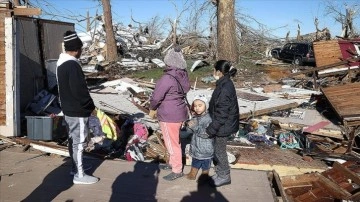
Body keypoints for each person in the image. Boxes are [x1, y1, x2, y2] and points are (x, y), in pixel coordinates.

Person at [56, 30, 99, 185]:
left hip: (68, 109)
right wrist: (90, 106)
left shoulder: (61, 63)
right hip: (77, 110)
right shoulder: (72, 65)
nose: (82, 51)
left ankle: (75, 168)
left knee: (73, 140)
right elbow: (79, 91)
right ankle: (79, 175)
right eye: (81, 48)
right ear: (77, 49)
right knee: (79, 142)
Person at [149, 47, 190, 181]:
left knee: (172, 143)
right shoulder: (183, 75)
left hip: (169, 115)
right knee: (174, 140)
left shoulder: (167, 78)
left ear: (169, 62)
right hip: (179, 112)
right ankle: (172, 163)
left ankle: (177, 169)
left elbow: (156, 97)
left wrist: (152, 108)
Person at [206, 60, 239, 187]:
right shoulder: (224, 83)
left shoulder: (225, 88)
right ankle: (220, 172)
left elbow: (222, 113)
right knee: (217, 149)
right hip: (223, 125)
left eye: (214, 70)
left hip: (223, 126)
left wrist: (211, 129)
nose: (213, 72)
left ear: (219, 72)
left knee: (220, 151)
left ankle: (224, 176)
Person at [183, 94, 213, 183]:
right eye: (195, 106)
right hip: (196, 145)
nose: (197, 108)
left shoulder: (209, 119)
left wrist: (195, 127)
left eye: (200, 105)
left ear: (206, 106)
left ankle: (204, 176)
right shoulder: (196, 116)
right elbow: (191, 131)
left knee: (205, 163)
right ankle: (192, 174)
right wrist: (188, 125)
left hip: (206, 147)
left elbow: (206, 133)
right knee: (195, 160)